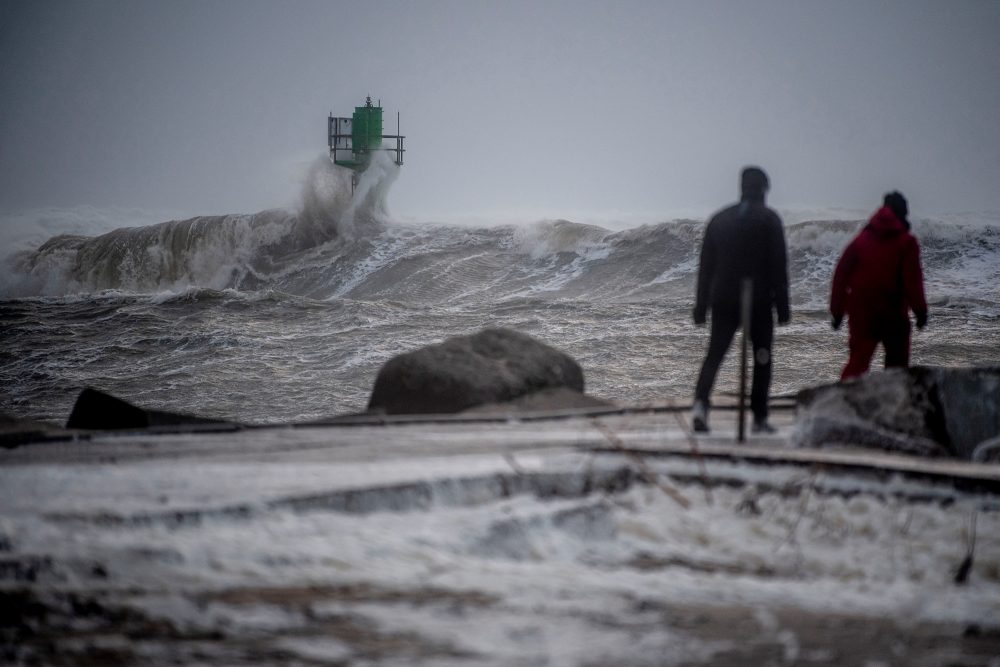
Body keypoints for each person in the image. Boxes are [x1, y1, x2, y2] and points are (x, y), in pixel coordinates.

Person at [691, 166, 790, 434]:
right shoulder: (769, 220)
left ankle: (700, 404)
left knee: (715, 353)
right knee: (762, 357)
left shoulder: (720, 219)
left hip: (723, 298)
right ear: (764, 190)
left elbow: (706, 267)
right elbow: (779, 266)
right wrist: (783, 306)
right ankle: (758, 417)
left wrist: (701, 306)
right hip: (758, 301)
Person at [829, 191, 927, 380]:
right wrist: (920, 312)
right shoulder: (907, 243)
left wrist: (837, 312)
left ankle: (845, 400)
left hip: (862, 310)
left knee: (857, 362)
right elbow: (912, 281)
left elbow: (840, 275)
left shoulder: (861, 240)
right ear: (902, 213)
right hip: (893, 311)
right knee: (897, 368)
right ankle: (893, 403)